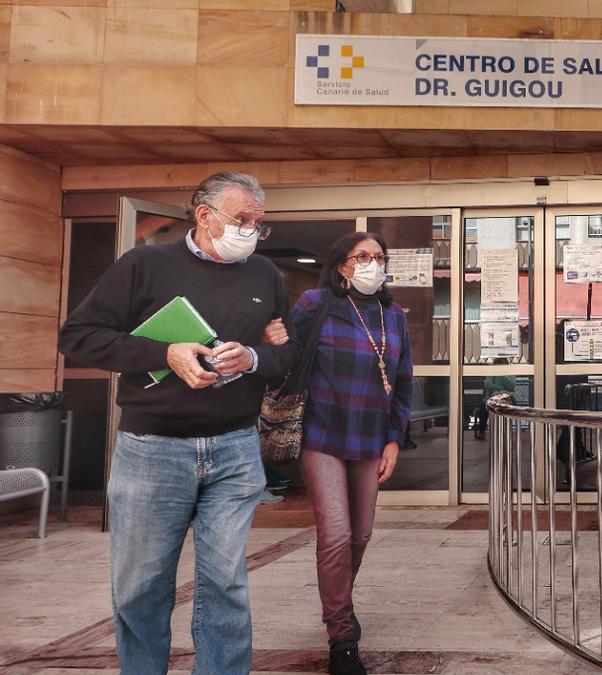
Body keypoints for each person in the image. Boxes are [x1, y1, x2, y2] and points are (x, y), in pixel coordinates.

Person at [58, 171, 299, 673]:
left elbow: (286, 354)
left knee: (226, 582)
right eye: (242, 219)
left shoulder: (265, 277)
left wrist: (252, 359)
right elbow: (78, 336)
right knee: (142, 584)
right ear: (204, 215)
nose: (251, 231)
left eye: (259, 223)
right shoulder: (144, 264)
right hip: (152, 450)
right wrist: (166, 352)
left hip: (235, 446)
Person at [285, 232, 413, 675]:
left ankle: (338, 599)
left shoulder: (392, 315)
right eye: (363, 257)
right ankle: (342, 634)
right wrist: (270, 338)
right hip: (321, 434)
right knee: (337, 534)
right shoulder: (314, 303)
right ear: (342, 265)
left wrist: (395, 437)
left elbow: (403, 382)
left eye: (379, 257)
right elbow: (284, 357)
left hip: (369, 438)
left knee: (360, 536)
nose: (372, 264)